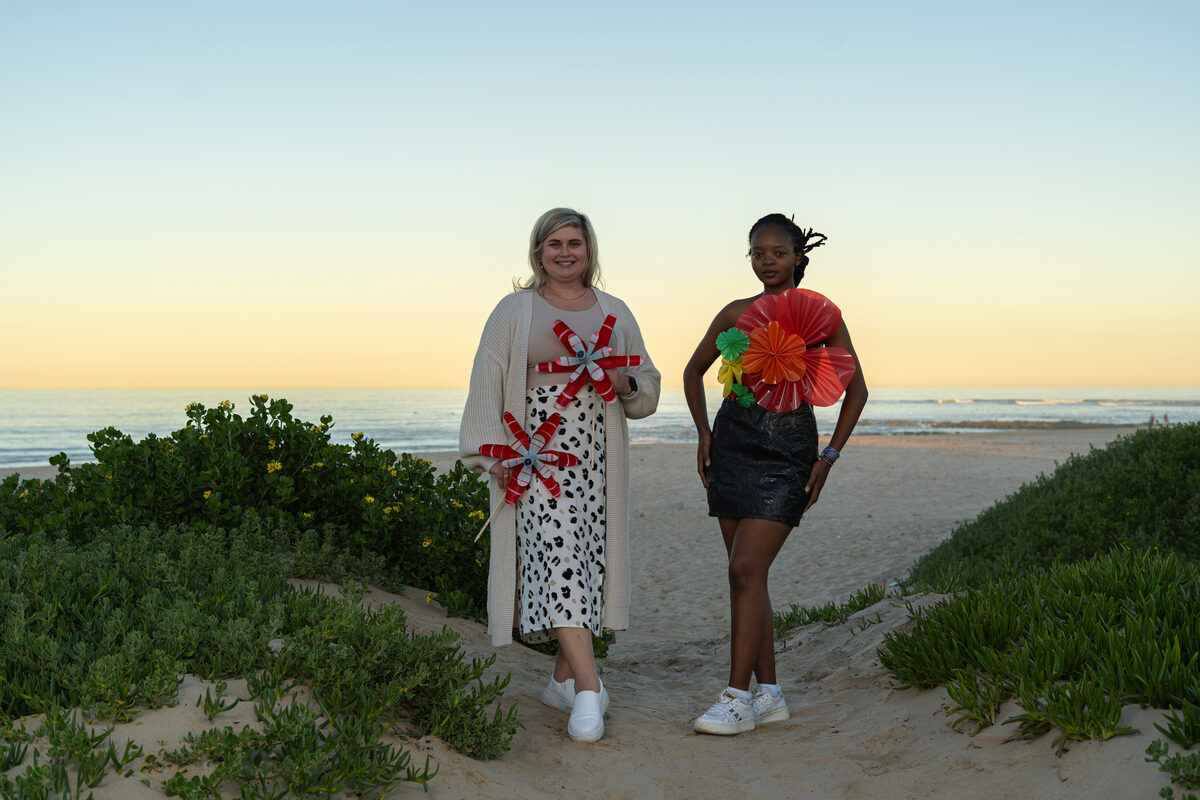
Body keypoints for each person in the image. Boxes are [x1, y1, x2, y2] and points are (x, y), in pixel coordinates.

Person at [459, 207, 660, 742]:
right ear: (538, 251)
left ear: (589, 250)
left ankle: (559, 682)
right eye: (555, 244)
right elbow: (487, 377)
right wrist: (492, 454)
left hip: (595, 460)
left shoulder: (613, 309)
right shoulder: (514, 310)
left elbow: (645, 379)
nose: (566, 252)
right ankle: (590, 692)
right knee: (561, 554)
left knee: (585, 564)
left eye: (575, 243)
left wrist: (623, 384)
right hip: (535, 458)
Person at [682, 213, 868, 735]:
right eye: (758, 253)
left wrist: (828, 456)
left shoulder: (818, 317)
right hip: (732, 447)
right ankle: (770, 696)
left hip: (788, 452)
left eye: (778, 253)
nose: (767, 261)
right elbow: (691, 372)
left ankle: (736, 698)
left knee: (744, 572)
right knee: (749, 577)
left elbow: (857, 389)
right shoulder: (735, 312)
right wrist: (702, 433)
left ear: (797, 258)